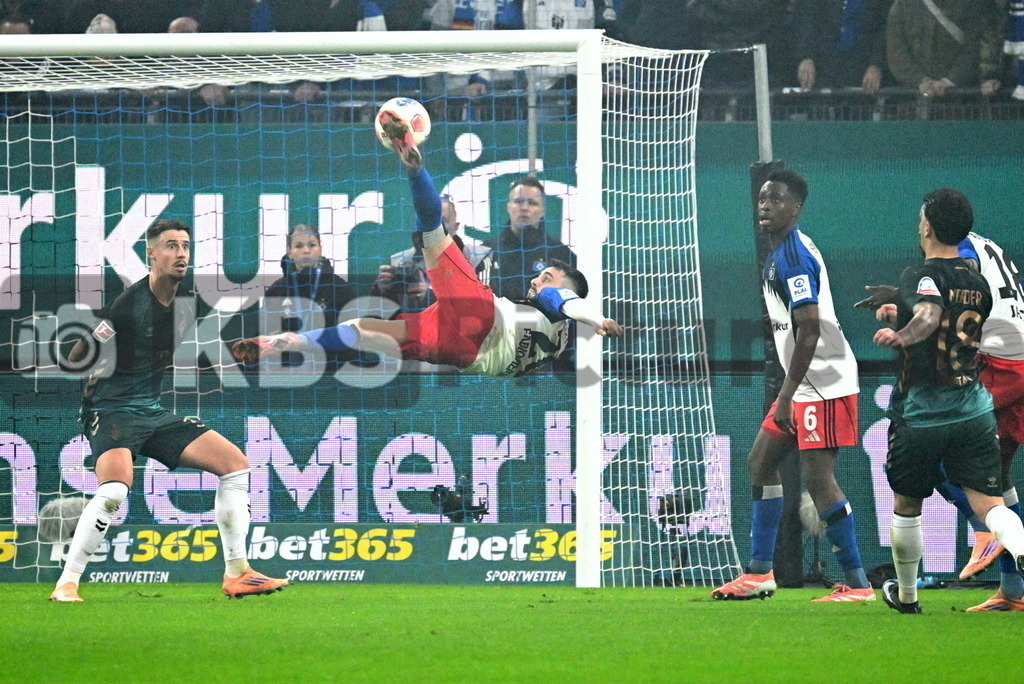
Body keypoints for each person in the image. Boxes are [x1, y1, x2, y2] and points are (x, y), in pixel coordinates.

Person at [232, 109, 622, 376]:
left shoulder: (561, 307)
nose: (540, 282)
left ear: (570, 288)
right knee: (366, 330)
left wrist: (594, 317)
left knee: (433, 230)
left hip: (481, 317)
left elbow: (562, 299)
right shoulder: (557, 341)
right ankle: (287, 341)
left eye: (549, 277)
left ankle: (414, 167)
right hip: (464, 355)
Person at [49, 219, 288, 602]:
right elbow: (74, 360)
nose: (181, 254)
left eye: (185, 246)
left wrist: (239, 351)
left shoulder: (186, 301)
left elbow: (198, 354)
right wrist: (95, 337)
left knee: (235, 465)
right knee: (113, 491)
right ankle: (67, 583)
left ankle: (237, 573)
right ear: (152, 254)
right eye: (172, 246)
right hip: (111, 410)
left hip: (152, 410)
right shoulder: (128, 305)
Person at [712, 169, 872, 603]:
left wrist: (786, 394)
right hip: (800, 383)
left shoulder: (794, 256)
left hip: (825, 381)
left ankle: (858, 584)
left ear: (795, 207)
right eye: (762, 198)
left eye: (776, 199)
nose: (764, 205)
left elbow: (809, 329)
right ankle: (760, 573)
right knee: (759, 463)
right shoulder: (778, 250)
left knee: (819, 481)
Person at [869, 188, 1024, 614]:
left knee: (923, 481)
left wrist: (903, 327)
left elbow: (934, 310)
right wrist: (901, 306)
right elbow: (954, 308)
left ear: (929, 225)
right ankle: (1013, 580)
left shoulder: (933, 268)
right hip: (998, 375)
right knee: (996, 481)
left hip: (993, 370)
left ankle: (978, 538)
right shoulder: (979, 263)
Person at [376, 194, 491, 314]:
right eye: (426, 221)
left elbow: (485, 309)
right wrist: (383, 292)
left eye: (441, 222)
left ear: (455, 227)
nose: (432, 228)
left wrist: (431, 296)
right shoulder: (398, 261)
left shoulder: (479, 258)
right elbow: (382, 319)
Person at [263, 223, 358, 366]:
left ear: (320, 249)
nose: (306, 250)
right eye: (299, 246)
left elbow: (353, 334)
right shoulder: (277, 290)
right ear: (289, 251)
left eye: (312, 245)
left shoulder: (339, 288)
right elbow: (265, 331)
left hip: (331, 372)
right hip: (287, 372)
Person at [886, 0, 1004, 97]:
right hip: (912, 102)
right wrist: (920, 81)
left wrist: (950, 81)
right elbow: (896, 53)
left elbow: (974, 47)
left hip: (959, 102)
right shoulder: (903, 5)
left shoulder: (971, 5)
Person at [482, 176, 574, 301]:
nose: (524, 208)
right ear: (508, 206)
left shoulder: (561, 255)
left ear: (542, 211)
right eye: (518, 201)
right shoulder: (486, 251)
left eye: (532, 203)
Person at [791, 0, 889, 94]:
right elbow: (807, 20)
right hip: (822, 68)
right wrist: (806, 57)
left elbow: (884, 28)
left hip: (861, 71)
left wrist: (875, 65)